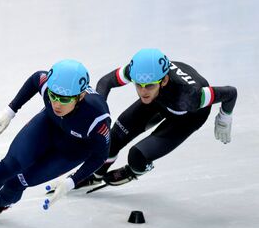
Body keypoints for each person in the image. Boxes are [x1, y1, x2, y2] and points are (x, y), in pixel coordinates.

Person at [0, 59, 111, 220]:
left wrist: (72, 181)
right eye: (53, 96)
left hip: (73, 150)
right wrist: (10, 111)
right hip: (48, 125)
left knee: (17, 182)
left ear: (81, 96)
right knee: (8, 166)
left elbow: (100, 156)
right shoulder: (48, 85)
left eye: (64, 99)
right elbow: (36, 78)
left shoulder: (97, 117)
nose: (57, 104)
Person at [77, 48, 238, 188]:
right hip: (159, 100)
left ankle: (134, 171)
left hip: (188, 115)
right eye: (138, 85)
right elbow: (105, 82)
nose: (143, 91)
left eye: (149, 86)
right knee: (112, 139)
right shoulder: (137, 71)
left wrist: (225, 117)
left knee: (137, 157)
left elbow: (231, 93)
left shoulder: (190, 96)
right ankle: (97, 175)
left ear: (164, 80)